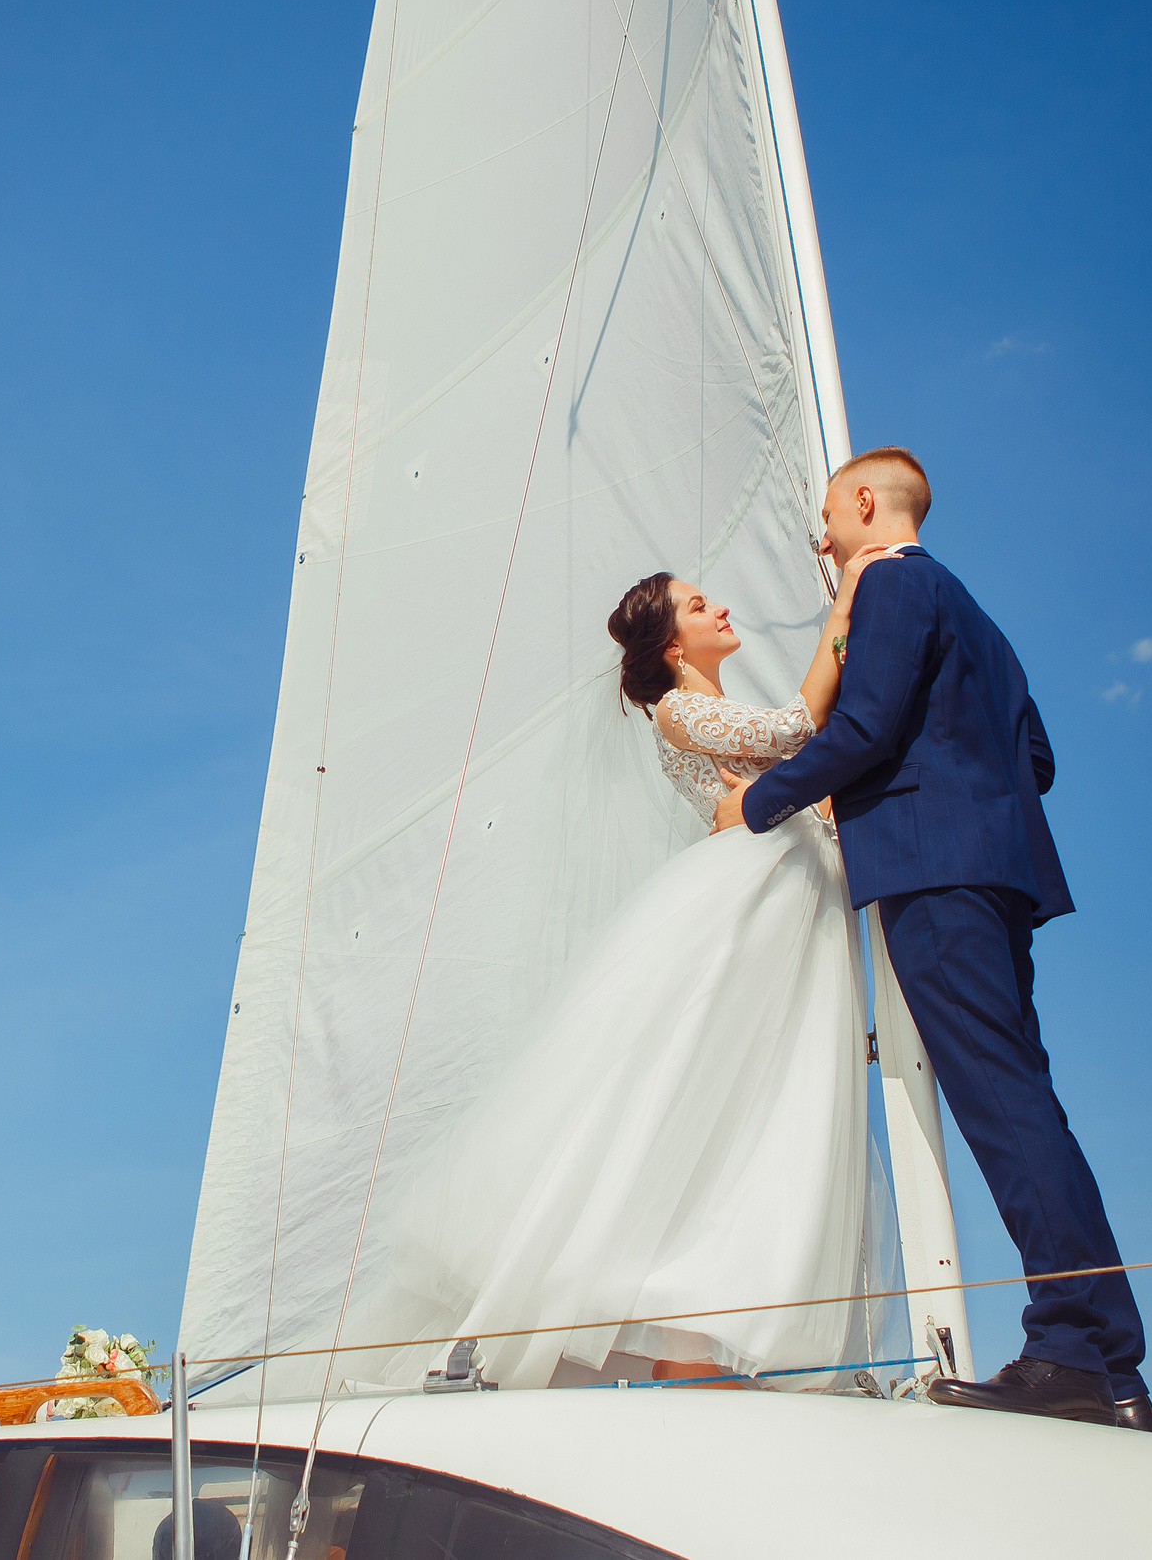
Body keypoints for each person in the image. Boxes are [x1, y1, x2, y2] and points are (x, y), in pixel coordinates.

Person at [339, 546, 896, 1392]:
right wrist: (841, 616)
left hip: (791, 907)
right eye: (700, 604)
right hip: (747, 901)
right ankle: (660, 1336)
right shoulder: (679, 712)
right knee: (696, 1102)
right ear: (672, 645)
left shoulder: (708, 705)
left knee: (758, 1110)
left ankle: (696, 1346)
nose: (720, 611)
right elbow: (792, 731)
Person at [724, 446, 1152, 1430]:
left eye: (824, 520)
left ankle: (1080, 1354)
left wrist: (761, 801)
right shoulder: (978, 618)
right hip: (995, 870)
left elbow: (867, 726)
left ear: (864, 502)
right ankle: (1098, 1357)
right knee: (1021, 1102)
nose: (820, 540)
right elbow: (1034, 757)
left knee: (1004, 1107)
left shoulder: (888, 584)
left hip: (933, 870)